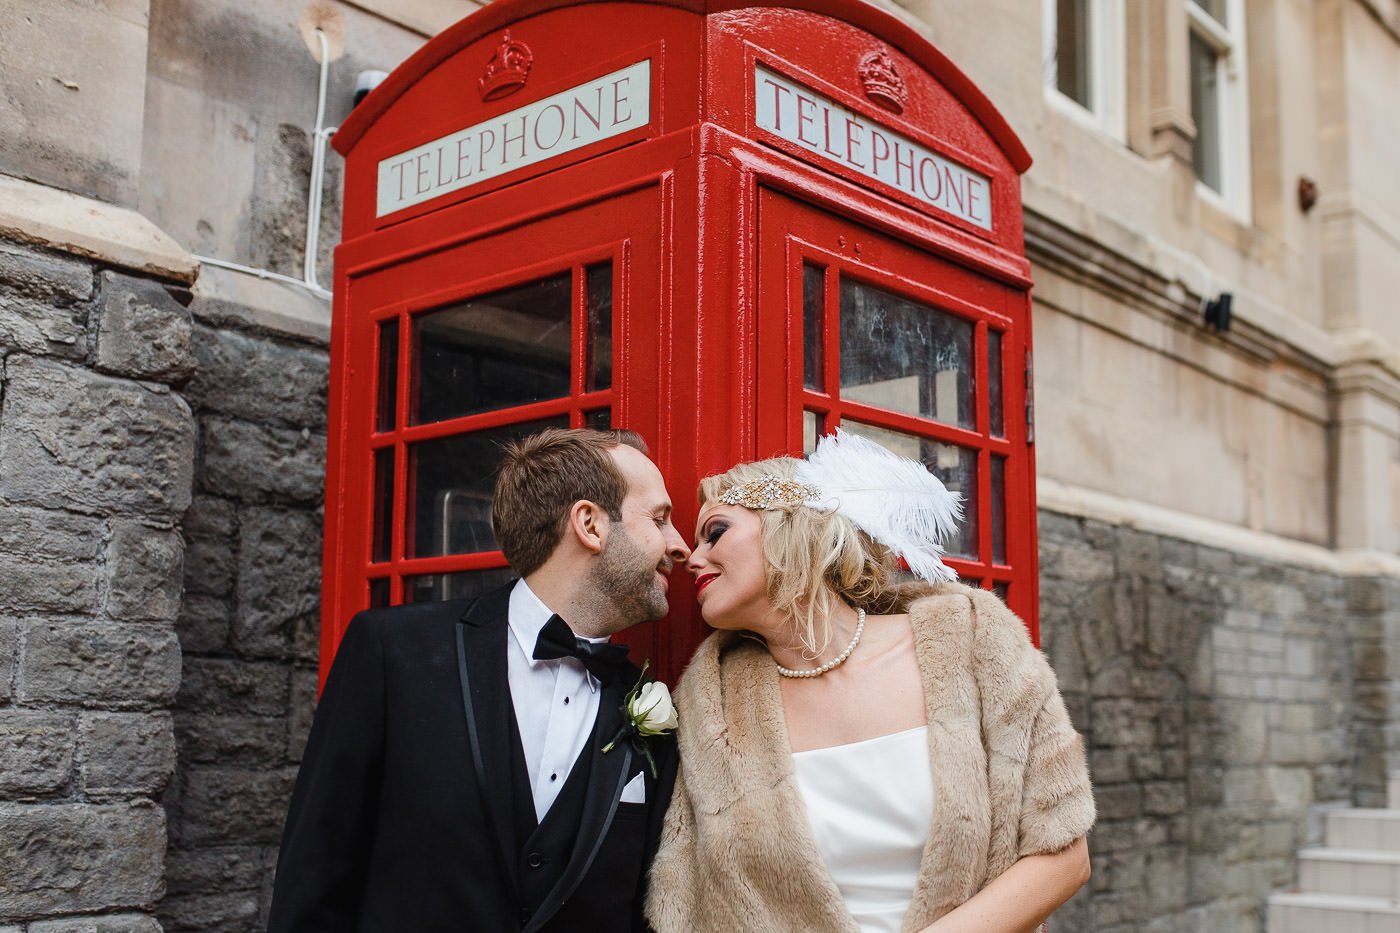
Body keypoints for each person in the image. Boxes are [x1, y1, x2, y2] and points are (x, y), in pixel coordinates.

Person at [646, 430, 1095, 933]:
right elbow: (687, 899)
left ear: (787, 526)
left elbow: (1064, 856)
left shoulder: (971, 640)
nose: (692, 556)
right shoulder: (713, 701)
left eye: (715, 531)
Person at [268, 427, 690, 933]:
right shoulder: (395, 652)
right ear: (590, 524)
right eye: (660, 519)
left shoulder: (648, 705)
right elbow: (315, 875)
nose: (679, 546)